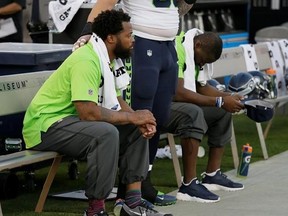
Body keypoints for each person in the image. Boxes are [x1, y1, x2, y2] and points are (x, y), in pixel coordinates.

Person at [23, 10, 173, 216]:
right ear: (111, 38)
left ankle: (133, 202)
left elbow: (116, 99)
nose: (133, 40)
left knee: (134, 128)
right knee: (105, 134)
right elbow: (88, 113)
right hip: (45, 125)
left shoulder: (107, 57)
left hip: (71, 122)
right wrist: (133, 116)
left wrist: (139, 120)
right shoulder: (87, 59)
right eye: (128, 35)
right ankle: (95, 210)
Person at [73, 0, 197, 207]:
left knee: (159, 115)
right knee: (139, 112)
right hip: (140, 43)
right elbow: (106, 1)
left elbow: (179, 9)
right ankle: (126, 188)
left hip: (168, 44)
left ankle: (143, 181)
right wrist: (87, 31)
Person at [161, 28, 245, 202]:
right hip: (160, 104)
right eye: (202, 61)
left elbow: (201, 87)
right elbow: (178, 92)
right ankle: (188, 185)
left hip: (176, 104)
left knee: (222, 111)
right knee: (193, 113)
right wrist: (220, 101)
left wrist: (228, 98)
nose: (201, 65)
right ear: (197, 45)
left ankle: (212, 175)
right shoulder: (178, 48)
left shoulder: (195, 50)